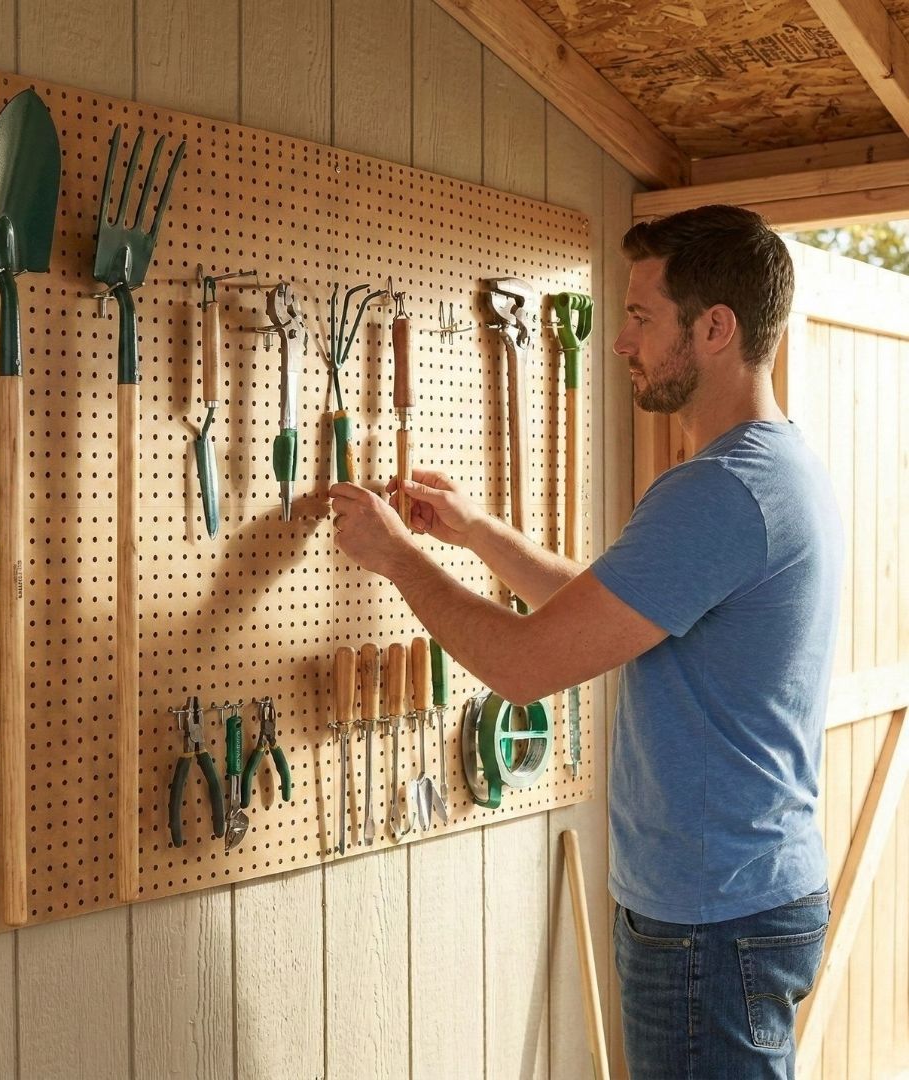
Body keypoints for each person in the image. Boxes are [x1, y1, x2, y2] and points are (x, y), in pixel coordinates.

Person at [329, 204, 842, 1079]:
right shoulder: (775, 469)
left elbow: (525, 666)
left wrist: (398, 558)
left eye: (642, 316)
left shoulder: (718, 491)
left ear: (715, 328)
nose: (621, 342)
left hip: (711, 921)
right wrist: (478, 532)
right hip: (741, 897)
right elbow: (608, 615)